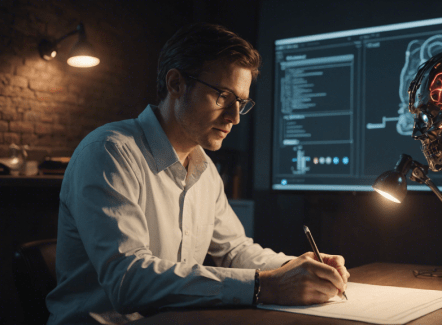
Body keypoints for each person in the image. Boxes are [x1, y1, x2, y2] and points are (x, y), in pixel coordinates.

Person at [46, 23, 349, 325]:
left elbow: (234, 251)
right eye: (223, 96)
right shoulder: (109, 152)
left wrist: (296, 267)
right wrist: (265, 286)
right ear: (176, 84)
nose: (234, 118)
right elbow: (129, 280)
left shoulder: (205, 171)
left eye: (240, 103)